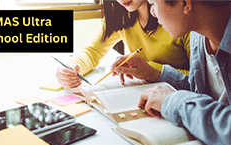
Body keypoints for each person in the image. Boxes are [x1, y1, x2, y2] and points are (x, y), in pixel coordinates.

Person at [112, 0, 231, 145]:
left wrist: (174, 101)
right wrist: (154, 73)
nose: (152, 13)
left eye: (153, 3)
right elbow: (205, 93)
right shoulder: (198, 37)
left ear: (185, 3)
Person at [56, 0, 190, 88]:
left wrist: (152, 70)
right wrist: (71, 68)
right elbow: (92, 51)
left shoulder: (179, 17)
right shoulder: (121, 14)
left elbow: (203, 81)